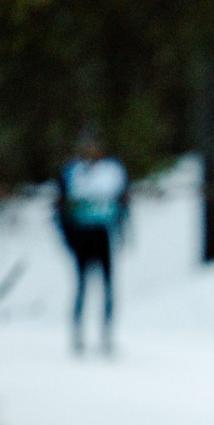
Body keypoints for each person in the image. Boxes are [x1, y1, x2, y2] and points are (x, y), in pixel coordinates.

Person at [54, 132, 129, 355]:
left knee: (107, 285)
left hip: (103, 233)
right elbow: (60, 207)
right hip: (81, 234)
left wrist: (123, 229)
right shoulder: (72, 172)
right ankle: (78, 333)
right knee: (82, 285)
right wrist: (67, 236)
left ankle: (106, 334)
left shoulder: (112, 171)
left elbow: (123, 203)